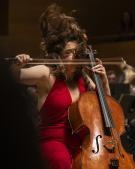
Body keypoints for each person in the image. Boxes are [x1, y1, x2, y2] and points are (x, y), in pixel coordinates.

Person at [11, 4, 110, 169]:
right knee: (62, 163)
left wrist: (104, 80)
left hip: (81, 142)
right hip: (53, 142)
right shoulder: (46, 74)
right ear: (57, 55)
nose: (73, 57)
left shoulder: (84, 78)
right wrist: (17, 64)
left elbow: (107, 107)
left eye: (76, 53)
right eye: (67, 53)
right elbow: (13, 77)